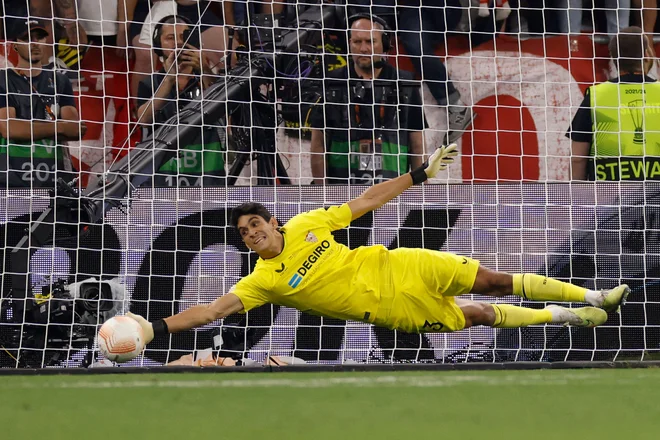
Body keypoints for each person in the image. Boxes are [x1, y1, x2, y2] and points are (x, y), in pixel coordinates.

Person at [126, 143, 630, 347]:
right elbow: (212, 311)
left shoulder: (306, 225)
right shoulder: (262, 283)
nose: (252, 233)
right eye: (244, 233)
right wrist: (153, 327)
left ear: (274, 222)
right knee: (476, 314)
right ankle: (566, 317)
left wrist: (419, 174)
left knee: (493, 278)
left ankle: (591, 298)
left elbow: (366, 201)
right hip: (393, 310)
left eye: (256, 224)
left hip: (404, 264)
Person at [310, 14, 426, 185]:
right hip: (342, 195)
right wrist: (322, 193)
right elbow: (318, 144)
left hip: (392, 192)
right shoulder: (331, 83)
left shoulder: (405, 83)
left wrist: (420, 194)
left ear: (384, 45)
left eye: (370, 42)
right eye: (357, 42)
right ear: (348, 43)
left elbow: (417, 146)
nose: (363, 49)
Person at [136, 14, 226, 187]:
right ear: (158, 46)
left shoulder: (208, 77)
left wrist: (205, 69)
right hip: (163, 176)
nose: (178, 43)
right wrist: (169, 79)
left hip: (207, 174)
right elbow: (143, 120)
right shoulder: (150, 83)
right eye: (170, 38)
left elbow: (223, 107)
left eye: (183, 37)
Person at [0, 18, 86, 188]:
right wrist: (58, 128)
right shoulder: (3, 79)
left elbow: (75, 129)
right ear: (14, 45)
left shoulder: (60, 81)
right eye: (27, 38)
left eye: (39, 37)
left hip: (55, 174)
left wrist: (29, 129)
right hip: (12, 177)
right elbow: (9, 128)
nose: (35, 43)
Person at [568, 26, 660, 181]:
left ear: (613, 58)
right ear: (646, 55)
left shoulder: (596, 95)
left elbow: (578, 157)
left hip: (609, 194)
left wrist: (579, 197)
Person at [397, 0, 476, 144]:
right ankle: (457, 108)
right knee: (417, 46)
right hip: (412, 7)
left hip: (444, 6)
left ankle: (456, 109)